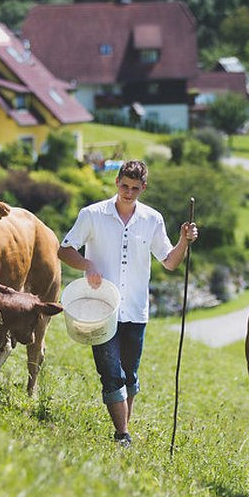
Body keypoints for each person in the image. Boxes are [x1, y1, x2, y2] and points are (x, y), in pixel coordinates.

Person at [58, 160, 198, 448]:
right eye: (124, 186)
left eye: (135, 188)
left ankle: (124, 430)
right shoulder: (92, 214)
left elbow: (170, 262)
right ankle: (123, 434)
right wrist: (87, 263)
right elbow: (64, 249)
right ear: (117, 182)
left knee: (130, 375)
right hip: (101, 309)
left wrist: (184, 241)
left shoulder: (152, 219)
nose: (128, 193)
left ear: (143, 188)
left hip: (136, 309)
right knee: (111, 374)